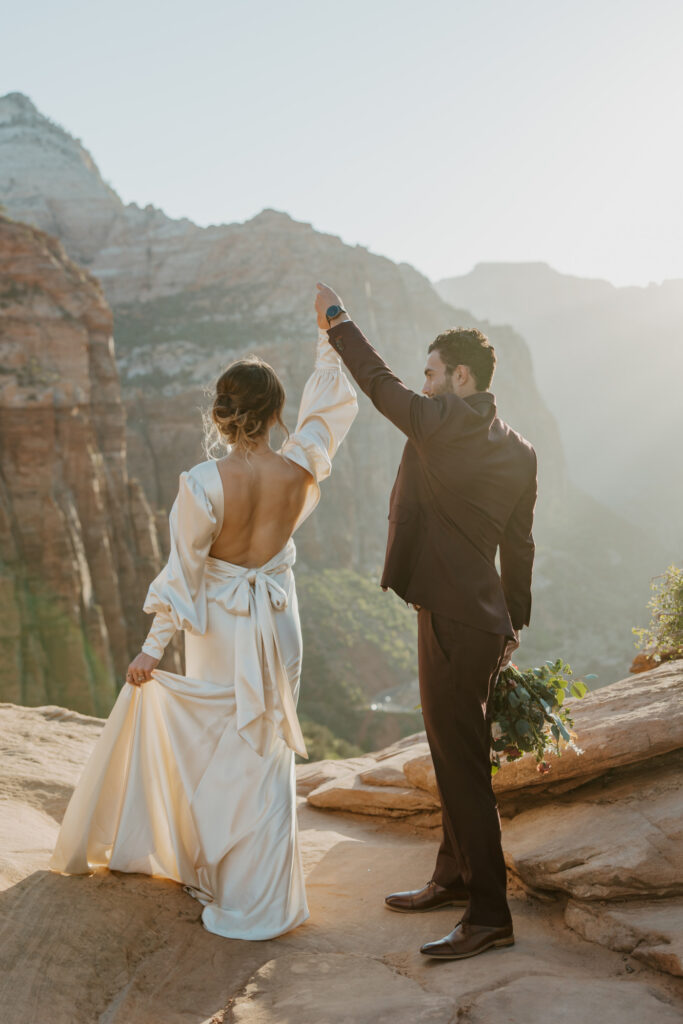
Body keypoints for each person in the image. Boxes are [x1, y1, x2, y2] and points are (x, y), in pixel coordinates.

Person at [50, 325, 358, 941]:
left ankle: (219, 875)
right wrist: (331, 337)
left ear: (220, 414)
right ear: (275, 414)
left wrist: (150, 649)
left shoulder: (200, 483)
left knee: (219, 745)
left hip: (220, 627)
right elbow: (327, 409)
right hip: (278, 621)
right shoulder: (301, 463)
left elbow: (182, 576)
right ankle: (266, 896)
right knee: (266, 752)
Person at [314, 282, 537, 961]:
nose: (424, 382)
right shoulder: (520, 449)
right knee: (451, 752)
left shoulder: (442, 422)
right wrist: (512, 625)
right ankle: (451, 874)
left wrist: (336, 321)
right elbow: (519, 547)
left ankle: (489, 915)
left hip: (448, 618)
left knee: (461, 763)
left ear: (459, 378)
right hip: (483, 620)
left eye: (432, 373)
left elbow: (377, 382)